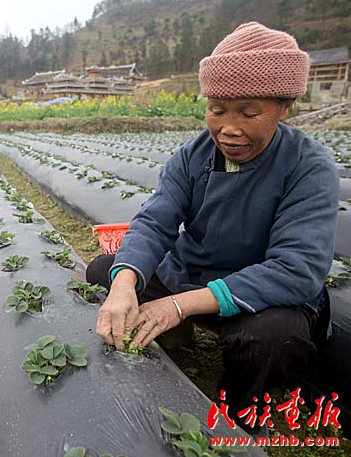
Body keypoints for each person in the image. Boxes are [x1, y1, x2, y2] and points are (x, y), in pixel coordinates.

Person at [87, 22, 339, 433]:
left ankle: (239, 412)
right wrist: (125, 282)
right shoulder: (192, 156)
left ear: (285, 107)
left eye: (249, 113)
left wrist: (178, 305)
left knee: (274, 338)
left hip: (258, 297)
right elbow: (154, 222)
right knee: (107, 270)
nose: (229, 128)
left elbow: (297, 269)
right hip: (194, 275)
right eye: (217, 110)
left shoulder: (309, 167)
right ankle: (177, 336)